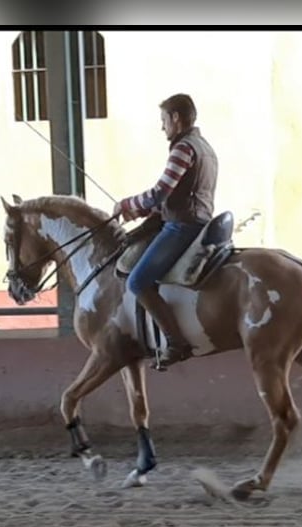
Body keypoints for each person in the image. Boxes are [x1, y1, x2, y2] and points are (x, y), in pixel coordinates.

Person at [113, 93, 218, 368]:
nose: (162, 127)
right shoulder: (204, 146)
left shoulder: (183, 148)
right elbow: (176, 195)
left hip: (182, 226)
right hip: (196, 219)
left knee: (137, 282)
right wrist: (144, 211)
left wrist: (127, 204)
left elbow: (160, 192)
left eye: (163, 120)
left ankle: (175, 342)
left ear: (175, 118)